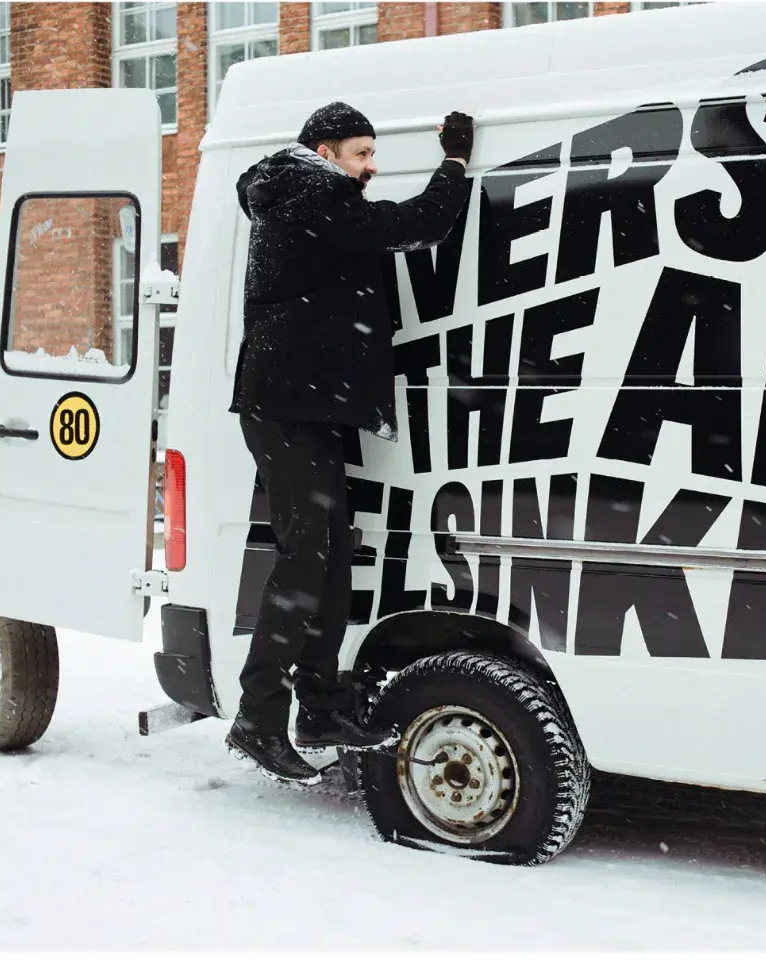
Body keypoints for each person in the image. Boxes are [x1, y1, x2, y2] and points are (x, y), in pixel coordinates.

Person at [225, 102, 474, 784]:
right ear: (325, 150)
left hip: (300, 406)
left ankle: (321, 707)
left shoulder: (303, 193)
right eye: (362, 154)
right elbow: (414, 225)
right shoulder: (313, 192)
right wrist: (454, 162)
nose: (371, 168)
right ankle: (258, 715)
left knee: (332, 557)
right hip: (285, 410)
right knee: (308, 555)